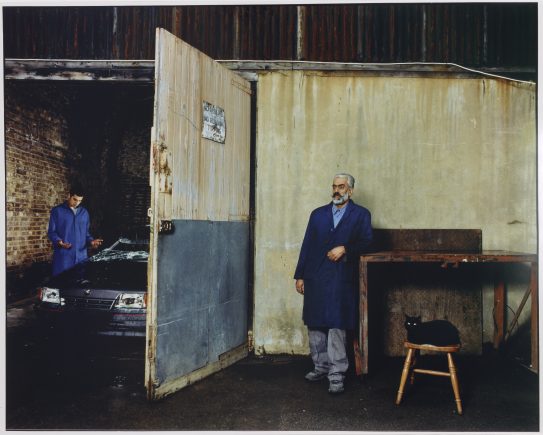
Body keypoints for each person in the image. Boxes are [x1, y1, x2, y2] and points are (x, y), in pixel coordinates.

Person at [294, 173, 372, 394]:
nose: (337, 190)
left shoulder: (361, 215)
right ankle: (320, 366)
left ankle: (336, 374)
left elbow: (367, 242)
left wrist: (345, 248)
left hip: (341, 277)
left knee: (337, 323)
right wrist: (300, 275)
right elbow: (307, 245)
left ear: (350, 190)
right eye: (334, 186)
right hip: (315, 275)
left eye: (341, 186)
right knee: (315, 323)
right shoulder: (318, 214)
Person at [47, 186, 103, 276]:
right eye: (75, 199)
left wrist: (91, 241)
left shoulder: (84, 213)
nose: (77, 203)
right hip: (64, 257)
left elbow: (86, 233)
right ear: (69, 195)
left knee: (78, 287)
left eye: (80, 201)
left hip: (81, 258)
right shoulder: (57, 211)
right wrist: (59, 242)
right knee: (62, 285)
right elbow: (51, 232)